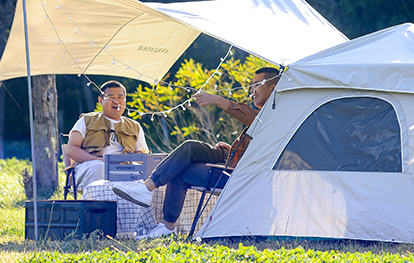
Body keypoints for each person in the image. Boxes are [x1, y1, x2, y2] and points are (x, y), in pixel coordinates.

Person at [113, 65, 280, 238]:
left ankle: (164, 224)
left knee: (180, 172)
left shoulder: (278, 114)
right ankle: (148, 191)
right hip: (230, 160)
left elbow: (254, 119)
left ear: (273, 88)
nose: (252, 90)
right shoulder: (268, 112)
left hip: (240, 176)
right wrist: (233, 150)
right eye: (251, 85)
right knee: (190, 147)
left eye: (257, 85)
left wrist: (218, 100)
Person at [64, 80, 149, 189]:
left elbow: (141, 155)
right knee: (100, 167)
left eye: (120, 97)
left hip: (124, 168)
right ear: (100, 100)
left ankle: (137, 205)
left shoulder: (134, 126)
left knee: (151, 175)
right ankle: (97, 205)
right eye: (111, 97)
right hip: (91, 165)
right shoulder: (87, 120)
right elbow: (71, 149)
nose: (116, 101)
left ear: (125, 100)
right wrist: (97, 160)